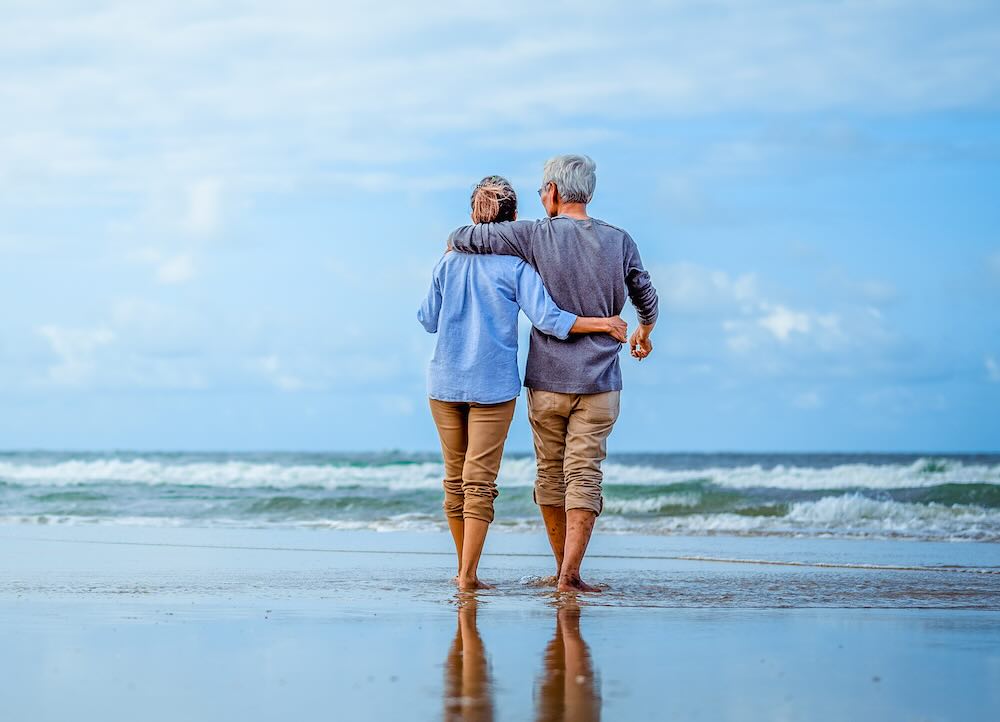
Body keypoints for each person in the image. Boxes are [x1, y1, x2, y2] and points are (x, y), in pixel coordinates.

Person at [446, 155, 659, 592]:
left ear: (555, 193)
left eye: (543, 189)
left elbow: (463, 237)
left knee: (550, 474)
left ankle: (562, 567)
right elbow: (646, 295)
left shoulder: (534, 235)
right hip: (601, 381)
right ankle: (570, 575)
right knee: (585, 474)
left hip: (546, 380)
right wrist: (644, 332)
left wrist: (459, 244)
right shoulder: (619, 240)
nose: (542, 196)